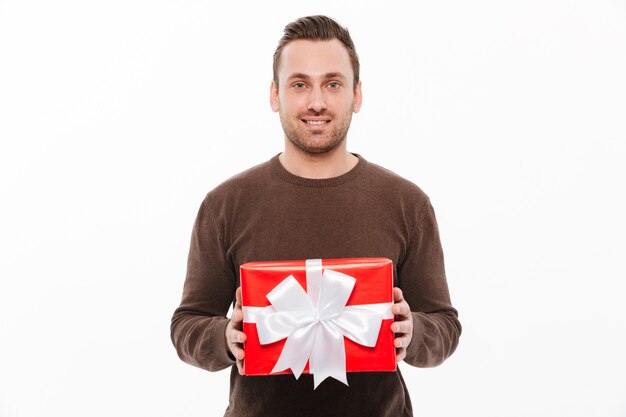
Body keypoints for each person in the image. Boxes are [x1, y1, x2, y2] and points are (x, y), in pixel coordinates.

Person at [171, 15, 461, 417]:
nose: (317, 102)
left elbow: (444, 325)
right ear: (275, 95)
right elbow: (187, 323)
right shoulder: (225, 205)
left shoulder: (407, 203)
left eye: (333, 83)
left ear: (357, 95)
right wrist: (225, 336)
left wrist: (412, 331)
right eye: (300, 84)